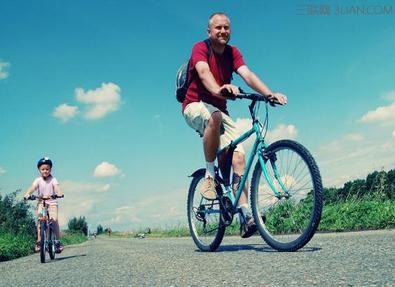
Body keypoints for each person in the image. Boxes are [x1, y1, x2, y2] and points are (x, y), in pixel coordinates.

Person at [181, 12, 287, 238]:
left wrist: (269, 94)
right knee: (215, 116)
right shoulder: (200, 48)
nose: (223, 31)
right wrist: (218, 89)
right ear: (209, 31)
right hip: (195, 105)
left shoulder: (233, 53)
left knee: (239, 156)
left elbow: (247, 74)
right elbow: (203, 71)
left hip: (220, 110)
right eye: (218, 28)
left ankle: (245, 215)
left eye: (226, 28)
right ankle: (209, 177)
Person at [24, 157, 64, 253]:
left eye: (47, 169)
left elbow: (57, 188)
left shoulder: (53, 179)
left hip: (52, 203)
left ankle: (57, 242)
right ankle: (39, 241)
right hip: (41, 203)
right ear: (39, 170)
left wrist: (59, 193)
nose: (45, 171)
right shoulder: (38, 180)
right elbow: (32, 188)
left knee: (54, 220)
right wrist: (27, 194)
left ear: (50, 169)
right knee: (39, 221)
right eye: (43, 169)